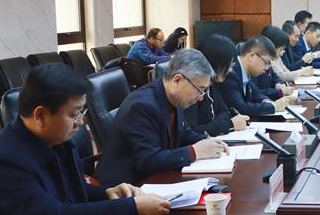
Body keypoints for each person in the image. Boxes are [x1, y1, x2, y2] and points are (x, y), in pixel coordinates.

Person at [0, 64, 170, 215]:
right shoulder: (7, 160)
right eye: (74, 114)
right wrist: (133, 208)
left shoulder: (57, 140)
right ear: (40, 116)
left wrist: (108, 193)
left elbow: (73, 190)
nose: (81, 122)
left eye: (82, 112)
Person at [95, 49, 228, 185]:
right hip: (125, 188)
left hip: (156, 179)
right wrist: (195, 151)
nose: (201, 97)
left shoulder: (174, 97)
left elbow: (184, 133)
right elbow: (149, 161)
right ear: (177, 80)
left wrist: (209, 143)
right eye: (200, 90)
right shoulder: (142, 106)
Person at [184, 35, 249, 137]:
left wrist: (216, 125)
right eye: (229, 66)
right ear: (216, 63)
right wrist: (229, 124)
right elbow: (191, 131)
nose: (230, 70)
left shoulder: (212, 85)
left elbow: (225, 112)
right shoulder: (192, 88)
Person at [218, 36, 289, 117]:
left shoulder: (246, 70)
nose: (267, 68)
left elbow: (256, 93)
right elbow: (241, 108)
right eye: (266, 62)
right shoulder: (230, 73)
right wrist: (274, 107)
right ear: (251, 56)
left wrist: (268, 102)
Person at [260, 24, 303, 89]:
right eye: (281, 49)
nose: (282, 53)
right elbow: (282, 76)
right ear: (271, 46)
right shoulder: (266, 62)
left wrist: (278, 84)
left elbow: (278, 77)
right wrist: (302, 71)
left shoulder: (276, 57)